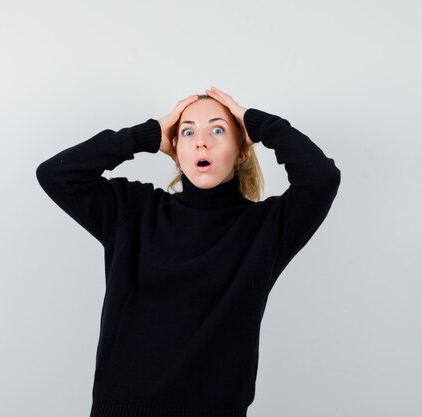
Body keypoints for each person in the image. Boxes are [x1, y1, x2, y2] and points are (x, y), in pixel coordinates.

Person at [36, 86, 341, 417]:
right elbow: (57, 175)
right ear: (176, 150)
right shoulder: (132, 211)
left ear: (241, 151)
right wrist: (147, 135)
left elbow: (321, 179)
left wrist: (257, 123)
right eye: (188, 131)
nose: (202, 141)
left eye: (218, 129)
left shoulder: (264, 228)